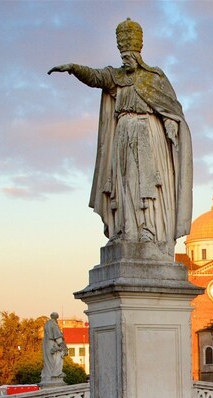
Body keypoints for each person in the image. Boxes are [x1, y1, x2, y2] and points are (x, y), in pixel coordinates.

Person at [48, 18, 193, 254]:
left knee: (146, 181)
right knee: (122, 181)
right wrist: (74, 68)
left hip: (148, 132)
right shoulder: (117, 77)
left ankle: (149, 230)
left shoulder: (153, 77)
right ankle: (125, 230)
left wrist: (171, 126)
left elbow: (170, 109)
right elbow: (96, 77)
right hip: (123, 132)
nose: (125, 57)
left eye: (128, 53)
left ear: (137, 53)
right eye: (122, 53)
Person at [41, 313, 66, 384]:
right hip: (53, 344)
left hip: (46, 344)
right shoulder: (53, 324)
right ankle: (56, 374)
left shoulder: (46, 324)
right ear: (56, 317)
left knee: (48, 360)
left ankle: (49, 375)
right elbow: (57, 337)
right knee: (57, 358)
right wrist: (64, 347)